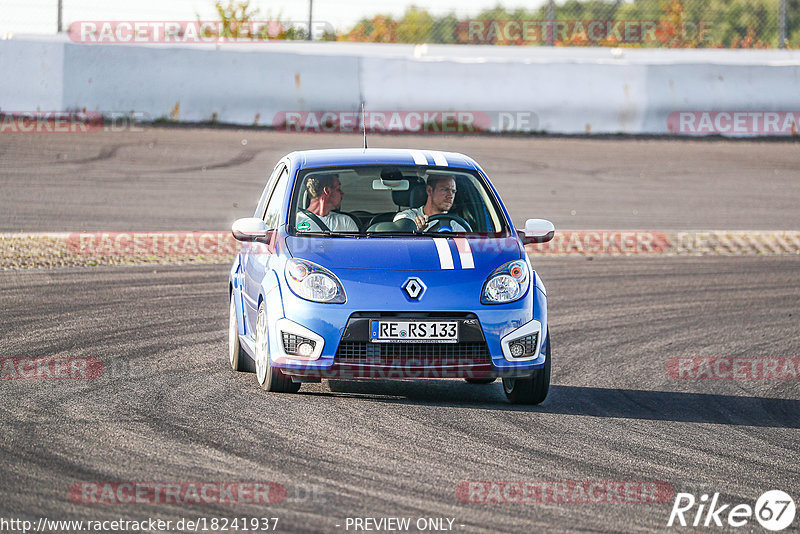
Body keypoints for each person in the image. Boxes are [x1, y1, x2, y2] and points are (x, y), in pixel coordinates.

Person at [393, 174, 466, 231]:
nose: (450, 196)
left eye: (453, 191)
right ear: (429, 190)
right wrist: (414, 231)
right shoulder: (408, 217)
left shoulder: (456, 225)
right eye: (445, 190)